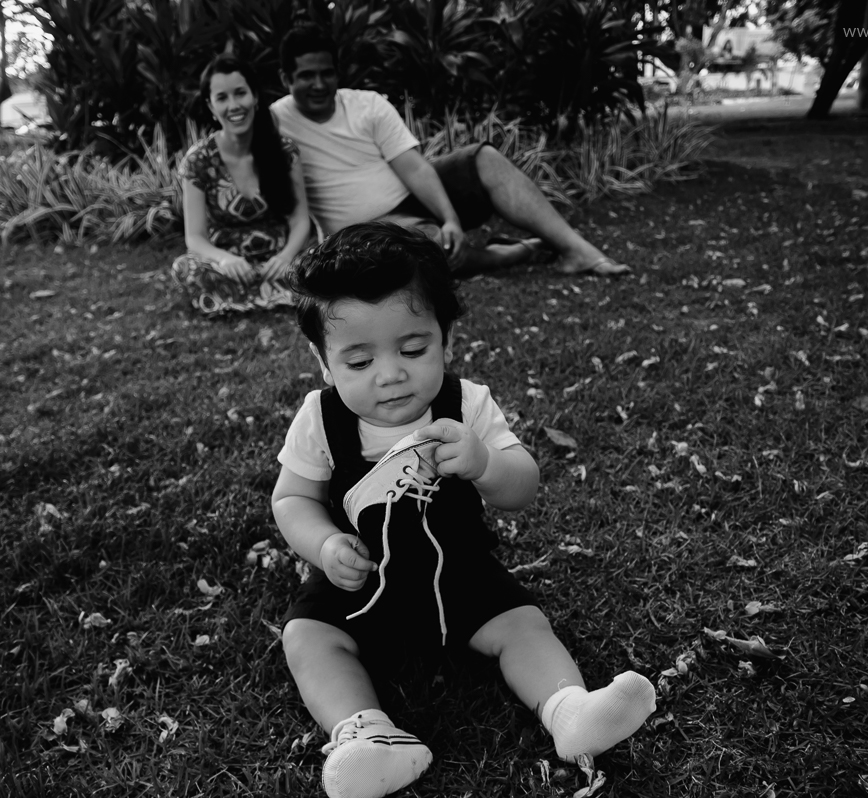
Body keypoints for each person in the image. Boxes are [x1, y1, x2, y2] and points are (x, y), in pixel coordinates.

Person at [271, 222, 656, 798]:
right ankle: (365, 734)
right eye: (358, 362)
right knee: (306, 637)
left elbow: (521, 487)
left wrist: (483, 463)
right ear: (324, 362)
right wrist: (323, 544)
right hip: (361, 578)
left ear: (445, 340)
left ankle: (568, 711)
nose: (391, 373)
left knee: (523, 624)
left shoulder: (467, 404)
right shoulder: (320, 419)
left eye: (412, 348)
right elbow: (292, 498)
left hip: (460, 571)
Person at [270, 25, 631, 278]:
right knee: (422, 247)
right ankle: (512, 253)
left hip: (413, 197)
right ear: (287, 78)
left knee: (484, 158)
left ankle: (576, 249)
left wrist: (450, 218)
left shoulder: (367, 105)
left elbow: (414, 168)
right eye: (305, 76)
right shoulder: (275, 122)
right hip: (362, 232)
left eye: (326, 73)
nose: (318, 84)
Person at [171, 55, 313, 316]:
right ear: (211, 106)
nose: (234, 105)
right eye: (222, 98)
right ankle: (280, 296)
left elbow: (300, 220)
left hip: (279, 258)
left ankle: (236, 302)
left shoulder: (284, 151)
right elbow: (195, 237)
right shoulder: (198, 161)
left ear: (255, 97)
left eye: (240, 93)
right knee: (185, 268)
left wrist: (285, 257)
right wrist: (224, 259)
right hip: (231, 265)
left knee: (315, 263)